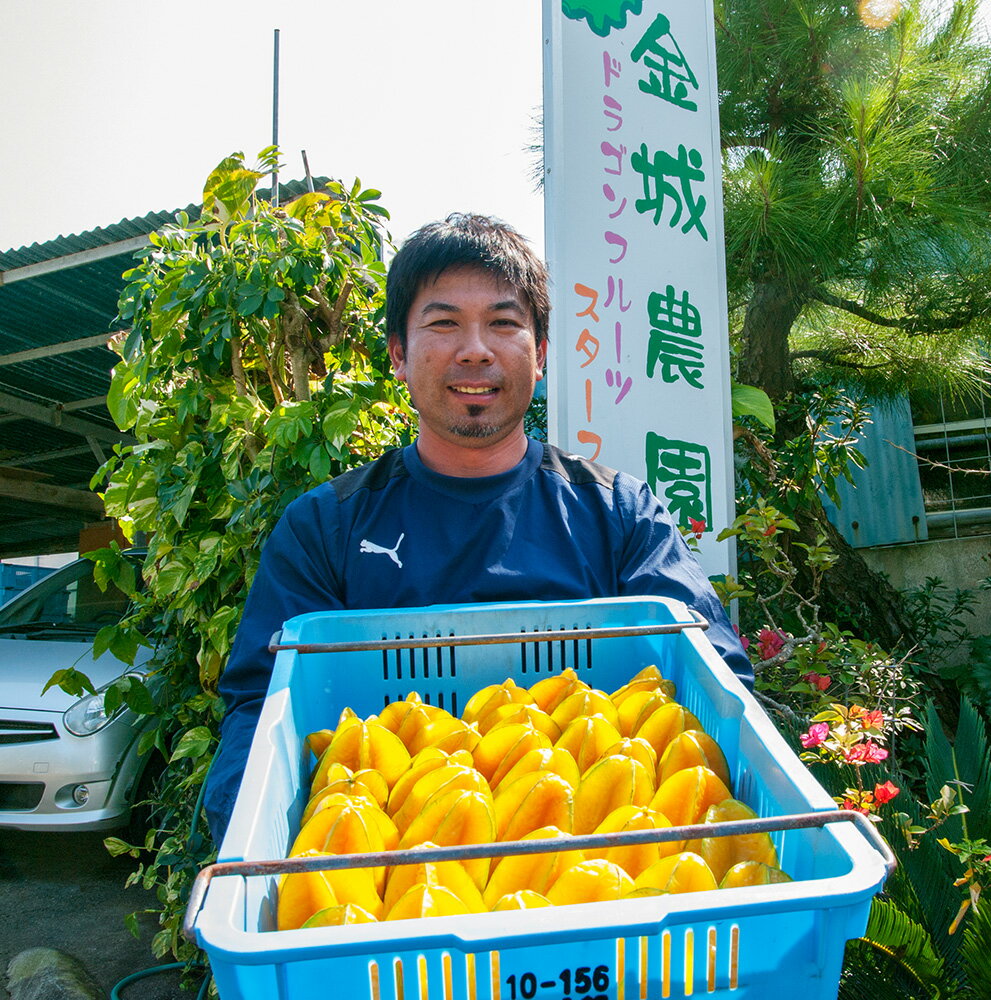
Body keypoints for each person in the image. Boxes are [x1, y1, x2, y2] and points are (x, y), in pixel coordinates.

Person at [204, 213, 752, 845]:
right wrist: (247, 850)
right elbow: (262, 710)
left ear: (541, 355)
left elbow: (714, 676)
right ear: (398, 356)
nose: (475, 349)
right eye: (443, 323)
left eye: (503, 323)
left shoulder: (618, 514)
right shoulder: (324, 528)